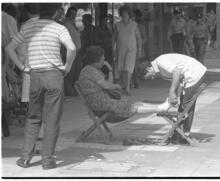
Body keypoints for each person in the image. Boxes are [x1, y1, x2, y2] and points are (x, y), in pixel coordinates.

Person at [5, 3, 76, 169]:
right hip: (54, 76)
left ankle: (24, 158)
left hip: (35, 76)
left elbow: (9, 48)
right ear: (56, 12)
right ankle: (47, 161)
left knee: (33, 117)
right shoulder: (59, 28)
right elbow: (72, 48)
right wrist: (67, 67)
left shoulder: (28, 27)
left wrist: (23, 67)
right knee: (52, 120)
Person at [79, 46, 175, 123]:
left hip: (103, 102)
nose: (104, 60)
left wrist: (110, 70)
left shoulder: (92, 70)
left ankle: (161, 107)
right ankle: (160, 108)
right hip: (100, 104)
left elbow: (108, 84)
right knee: (134, 107)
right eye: (102, 58)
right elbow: (108, 86)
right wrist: (117, 86)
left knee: (136, 104)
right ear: (96, 59)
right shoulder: (89, 71)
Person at [144, 53, 207, 141]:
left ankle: (184, 133)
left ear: (148, 68)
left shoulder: (160, 62)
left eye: (150, 75)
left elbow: (176, 73)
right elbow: (178, 80)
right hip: (190, 75)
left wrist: (171, 92)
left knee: (186, 106)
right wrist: (177, 96)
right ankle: (180, 133)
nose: (152, 78)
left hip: (194, 73)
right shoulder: (160, 71)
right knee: (182, 104)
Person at [113, 5, 142, 95]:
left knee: (128, 68)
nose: (124, 15)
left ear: (129, 14)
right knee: (121, 68)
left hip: (131, 50)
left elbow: (139, 39)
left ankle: (128, 87)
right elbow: (113, 38)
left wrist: (139, 51)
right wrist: (113, 50)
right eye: (123, 13)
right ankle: (124, 85)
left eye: (126, 13)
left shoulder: (134, 25)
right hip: (120, 49)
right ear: (121, 14)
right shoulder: (117, 25)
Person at [63, 6, 82, 96]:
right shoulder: (66, 23)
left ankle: (74, 91)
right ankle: (69, 92)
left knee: (76, 72)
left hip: (77, 50)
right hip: (70, 50)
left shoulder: (73, 22)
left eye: (75, 14)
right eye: (72, 13)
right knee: (70, 72)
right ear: (68, 13)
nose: (73, 15)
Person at [132, 9, 147, 89]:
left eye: (134, 16)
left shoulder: (141, 26)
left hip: (138, 49)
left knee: (135, 66)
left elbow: (145, 38)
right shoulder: (128, 26)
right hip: (129, 48)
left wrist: (139, 43)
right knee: (131, 66)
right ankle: (133, 81)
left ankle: (135, 81)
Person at [96, 14, 113, 79]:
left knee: (109, 64)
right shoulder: (97, 29)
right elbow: (96, 40)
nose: (106, 21)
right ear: (100, 20)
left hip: (109, 49)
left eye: (106, 20)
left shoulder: (108, 28)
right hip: (102, 49)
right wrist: (106, 40)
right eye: (104, 20)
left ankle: (109, 78)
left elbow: (111, 37)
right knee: (102, 64)